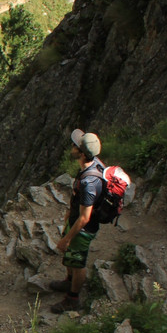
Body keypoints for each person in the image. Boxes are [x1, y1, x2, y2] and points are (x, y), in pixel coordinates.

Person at [51, 129, 105, 313]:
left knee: (78, 263)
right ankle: (69, 281)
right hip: (75, 222)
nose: (72, 147)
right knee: (71, 257)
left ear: (82, 153)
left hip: (83, 229)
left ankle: (72, 299)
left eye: (76, 146)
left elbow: (85, 217)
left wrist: (66, 239)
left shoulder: (89, 182)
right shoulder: (94, 165)